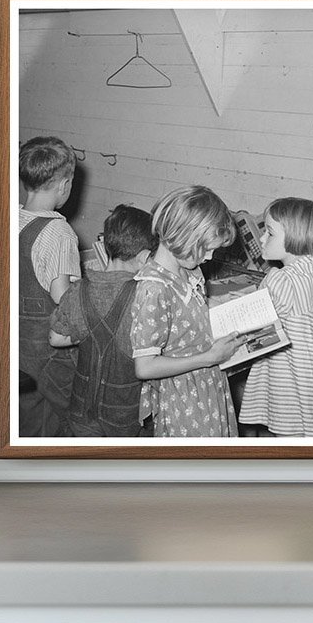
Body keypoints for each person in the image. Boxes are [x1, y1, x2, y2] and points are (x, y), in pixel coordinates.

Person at [130, 185, 244, 438]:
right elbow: (145, 367)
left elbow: (190, 312)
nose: (211, 256)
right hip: (183, 400)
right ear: (183, 236)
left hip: (209, 385)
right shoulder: (153, 289)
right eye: (206, 248)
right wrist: (209, 358)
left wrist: (226, 308)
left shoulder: (191, 270)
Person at [238, 198, 313, 438]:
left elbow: (251, 328)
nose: (261, 239)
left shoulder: (281, 280)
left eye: (269, 233)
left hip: (291, 388)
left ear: (295, 237)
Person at [48, 205, 156, 437]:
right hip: (125, 415)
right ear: (145, 257)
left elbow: (56, 338)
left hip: (80, 412)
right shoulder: (144, 296)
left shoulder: (78, 290)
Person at [17, 135, 80, 437]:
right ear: (63, 184)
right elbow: (64, 301)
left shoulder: (6, 217)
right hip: (42, 360)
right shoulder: (58, 232)